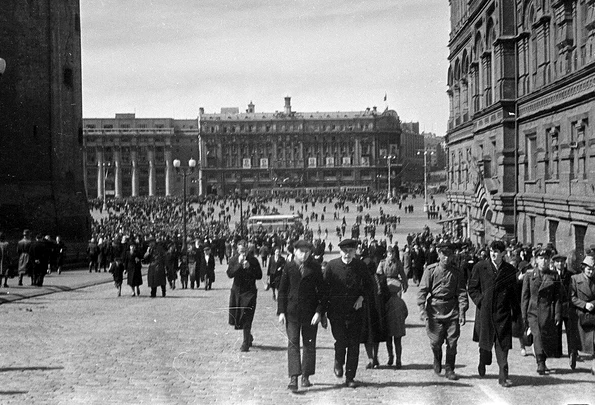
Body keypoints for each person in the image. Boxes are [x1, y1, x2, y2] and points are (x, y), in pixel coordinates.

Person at [468, 240, 521, 388]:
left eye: (497, 251)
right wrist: (481, 301)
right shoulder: (480, 267)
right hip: (485, 312)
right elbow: (472, 288)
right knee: (485, 342)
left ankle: (503, 376)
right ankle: (482, 360)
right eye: (492, 250)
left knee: (503, 345)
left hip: (503, 314)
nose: (493, 254)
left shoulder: (510, 270)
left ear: (503, 254)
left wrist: (516, 314)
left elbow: (514, 294)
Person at [277, 240, 328, 392]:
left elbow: (323, 292)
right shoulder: (289, 267)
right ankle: (294, 377)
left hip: (310, 314)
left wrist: (319, 312)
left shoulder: (315, 268)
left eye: (307, 251)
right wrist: (281, 311)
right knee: (293, 344)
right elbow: (282, 290)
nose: (304, 254)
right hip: (292, 313)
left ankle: (306, 375)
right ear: (295, 251)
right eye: (301, 251)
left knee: (309, 345)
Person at [417, 242, 468, 380]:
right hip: (434, 309)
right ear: (439, 255)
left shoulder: (456, 272)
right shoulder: (430, 271)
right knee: (435, 341)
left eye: (449, 255)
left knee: (452, 342)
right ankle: (437, 357)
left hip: (452, 309)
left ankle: (450, 369)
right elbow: (422, 291)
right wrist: (422, 309)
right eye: (444, 255)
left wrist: (462, 311)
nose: (446, 258)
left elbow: (462, 293)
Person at [324, 238, 371, 388]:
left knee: (354, 345)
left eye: (351, 251)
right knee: (341, 340)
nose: (347, 254)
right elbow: (324, 290)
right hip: (336, 312)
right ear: (340, 251)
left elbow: (370, 286)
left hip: (355, 312)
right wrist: (324, 312)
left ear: (355, 252)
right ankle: (338, 361)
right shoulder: (332, 266)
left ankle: (350, 376)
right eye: (345, 251)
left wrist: (362, 297)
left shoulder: (361, 266)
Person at [521, 248, 564, 374]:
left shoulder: (554, 275)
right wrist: (523, 315)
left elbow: (557, 297)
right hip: (533, 311)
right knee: (538, 335)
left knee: (545, 337)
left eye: (546, 258)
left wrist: (557, 313)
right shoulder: (529, 275)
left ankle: (543, 360)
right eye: (541, 258)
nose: (544, 261)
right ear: (536, 260)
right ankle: (540, 362)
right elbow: (525, 297)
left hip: (548, 311)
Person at [227, 240, 263, 352]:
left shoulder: (253, 260)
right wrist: (238, 264)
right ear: (237, 251)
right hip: (237, 292)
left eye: (245, 251)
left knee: (247, 317)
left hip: (250, 292)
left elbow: (259, 275)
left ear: (248, 249)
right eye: (241, 251)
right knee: (239, 318)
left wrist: (249, 267)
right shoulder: (233, 260)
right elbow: (230, 274)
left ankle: (245, 343)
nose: (243, 253)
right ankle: (248, 336)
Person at [569, 255, 595, 375]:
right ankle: (573, 353)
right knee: (577, 339)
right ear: (583, 268)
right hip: (579, 313)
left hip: (593, 312)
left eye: (593, 269)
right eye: (589, 269)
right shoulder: (574, 279)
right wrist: (584, 304)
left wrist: (592, 304)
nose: (591, 272)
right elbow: (572, 297)